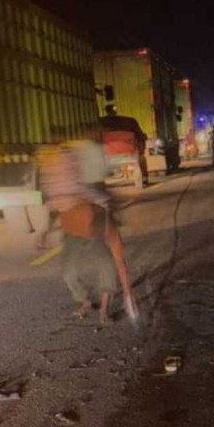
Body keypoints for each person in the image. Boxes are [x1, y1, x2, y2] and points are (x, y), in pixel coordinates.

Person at [38, 137, 138, 325]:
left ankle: (104, 310)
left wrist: (128, 295)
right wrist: (45, 231)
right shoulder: (63, 196)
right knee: (68, 271)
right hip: (73, 229)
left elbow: (119, 262)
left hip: (94, 228)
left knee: (106, 265)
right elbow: (55, 205)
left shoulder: (96, 207)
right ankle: (85, 301)